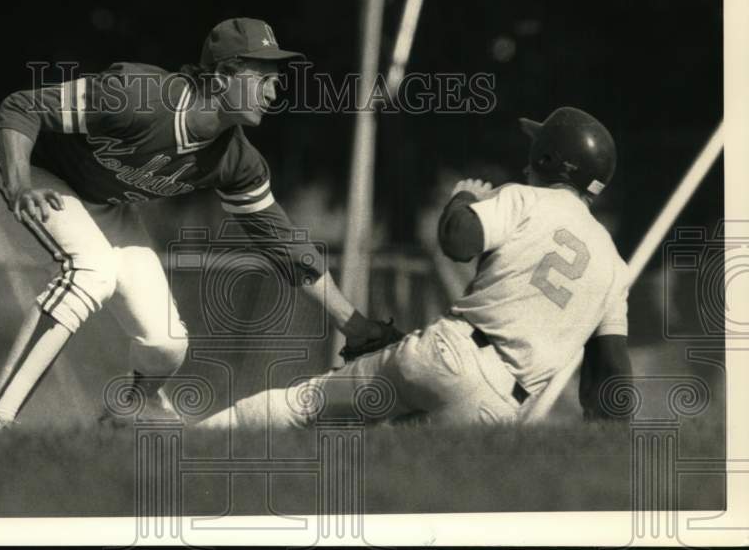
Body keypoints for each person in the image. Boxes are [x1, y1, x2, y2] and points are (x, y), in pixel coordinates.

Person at [0, 18, 401, 429]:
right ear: (220, 76)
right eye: (262, 76)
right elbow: (21, 107)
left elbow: (285, 245)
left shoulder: (235, 160)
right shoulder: (138, 95)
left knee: (166, 344)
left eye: (276, 79)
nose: (274, 90)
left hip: (106, 206)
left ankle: (127, 413)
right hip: (33, 179)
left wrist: (355, 325)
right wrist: (20, 182)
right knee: (90, 269)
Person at [198, 107, 633, 429]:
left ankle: (195, 442)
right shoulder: (615, 268)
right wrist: (609, 444)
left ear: (548, 161)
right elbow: (610, 379)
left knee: (306, 404)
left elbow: (457, 241)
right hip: (499, 405)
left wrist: (464, 197)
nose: (525, 161)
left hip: (450, 354)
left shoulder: (527, 198)